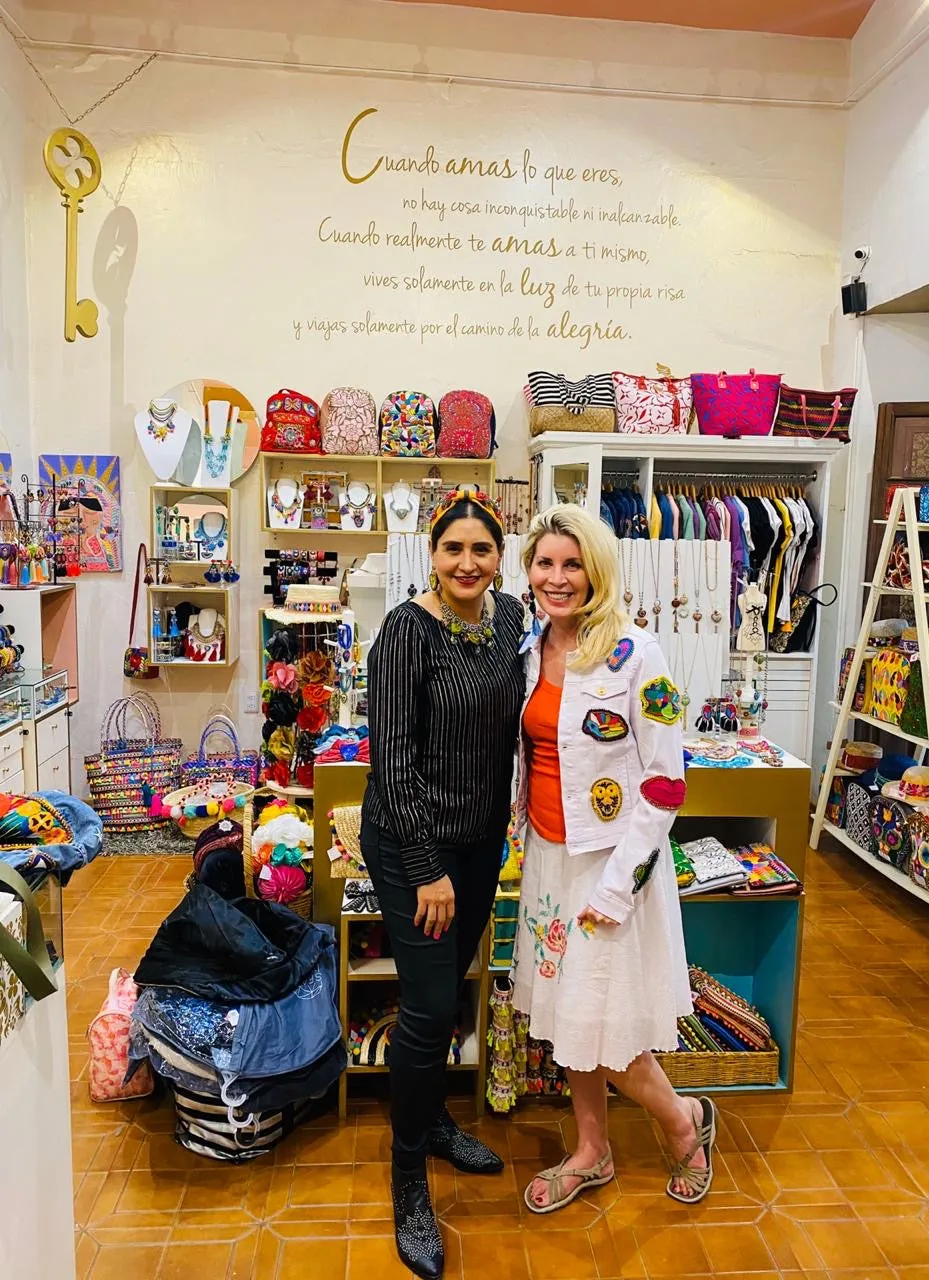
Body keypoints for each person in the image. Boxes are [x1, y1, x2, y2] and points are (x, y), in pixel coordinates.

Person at [512, 502, 717, 1214]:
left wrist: (620, 883)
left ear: (597, 571)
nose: (557, 578)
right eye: (544, 563)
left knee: (612, 1022)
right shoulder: (529, 646)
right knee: (572, 1018)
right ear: (528, 570)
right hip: (549, 860)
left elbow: (665, 784)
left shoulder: (638, 653)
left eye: (572, 564)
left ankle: (682, 1122)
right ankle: (592, 1148)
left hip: (611, 867)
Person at [360, 486, 525, 1279]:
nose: (467, 562)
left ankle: (429, 1123)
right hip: (410, 844)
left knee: (450, 987)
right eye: (453, 548)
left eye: (482, 549)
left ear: (500, 557)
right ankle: (408, 1182)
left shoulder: (512, 621)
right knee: (427, 1011)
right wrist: (425, 866)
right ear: (432, 553)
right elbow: (389, 760)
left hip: (481, 842)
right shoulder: (404, 634)